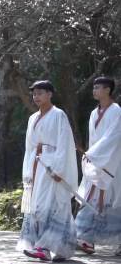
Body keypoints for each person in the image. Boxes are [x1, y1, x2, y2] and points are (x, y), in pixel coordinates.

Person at [18, 80, 78, 261]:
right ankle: (50, 247)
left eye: (40, 93)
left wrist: (59, 169)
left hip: (51, 166)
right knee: (37, 207)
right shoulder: (32, 118)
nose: (36, 96)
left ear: (50, 94)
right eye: (34, 93)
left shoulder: (59, 115)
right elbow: (29, 147)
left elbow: (65, 144)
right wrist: (27, 171)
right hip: (36, 166)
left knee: (52, 206)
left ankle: (48, 248)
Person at [75, 76, 121, 255]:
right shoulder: (94, 113)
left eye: (98, 87)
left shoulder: (117, 111)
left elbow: (113, 137)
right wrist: (91, 157)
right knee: (91, 197)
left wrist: (93, 154)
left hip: (113, 161)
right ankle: (86, 239)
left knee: (116, 200)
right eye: (93, 87)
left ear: (108, 90)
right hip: (97, 162)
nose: (94, 90)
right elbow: (94, 139)